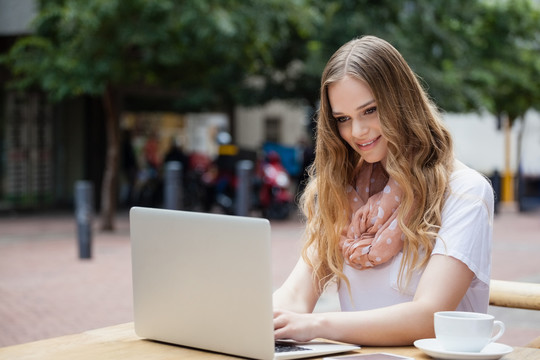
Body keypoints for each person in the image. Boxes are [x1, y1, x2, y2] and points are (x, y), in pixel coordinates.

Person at [273, 36, 494, 346]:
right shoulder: (341, 190)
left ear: (401, 102)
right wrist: (253, 319)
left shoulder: (464, 191)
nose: (357, 132)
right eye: (343, 119)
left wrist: (316, 325)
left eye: (370, 110)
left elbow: (430, 317)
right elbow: (296, 294)